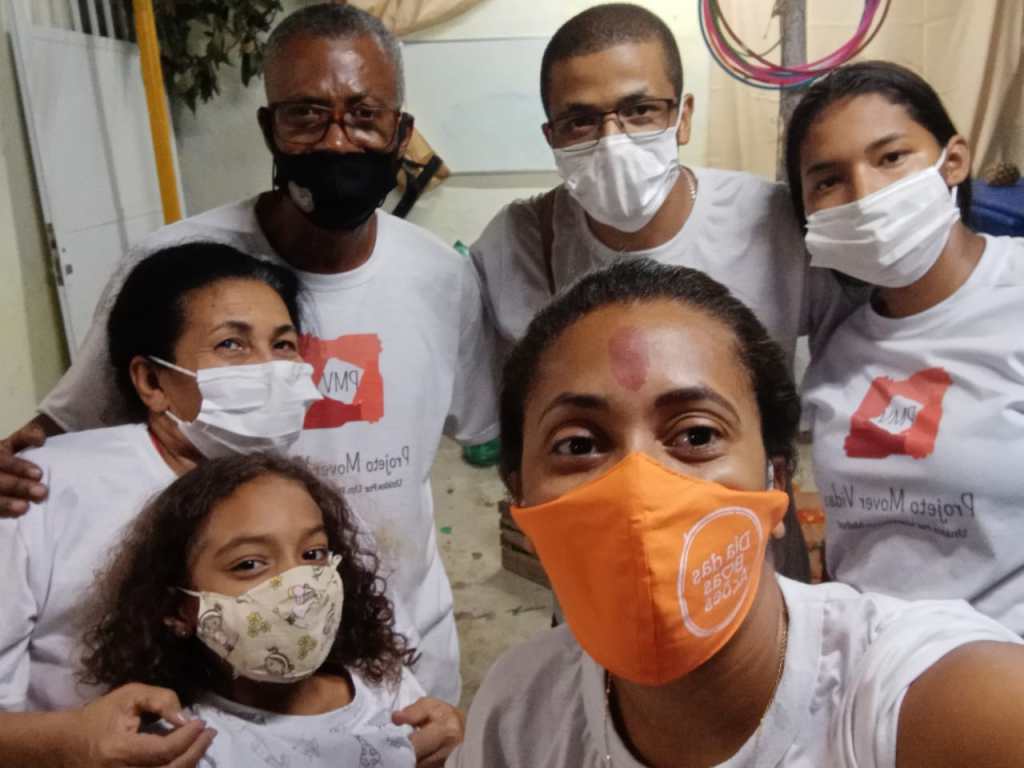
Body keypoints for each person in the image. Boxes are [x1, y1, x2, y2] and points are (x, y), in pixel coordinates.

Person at [0, 3, 498, 703]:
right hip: (228, 665)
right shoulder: (175, 264)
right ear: (268, 127)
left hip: (402, 649)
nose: (337, 140)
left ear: (401, 129)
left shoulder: (442, 277)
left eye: (364, 116)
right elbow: (63, 431)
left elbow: (485, 427)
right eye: (306, 115)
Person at [450, 258, 1024, 767]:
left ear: (776, 477)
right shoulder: (518, 713)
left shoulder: (926, 703)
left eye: (696, 435)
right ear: (520, 497)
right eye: (578, 444)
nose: (638, 489)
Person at [469, 2, 855, 579]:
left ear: (683, 117)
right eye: (580, 121)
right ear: (551, 136)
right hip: (605, 566)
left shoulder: (771, 223)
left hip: (754, 556)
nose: (612, 140)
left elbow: (855, 370)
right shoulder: (520, 245)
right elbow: (510, 427)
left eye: (640, 110)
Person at [0, 243, 317, 765]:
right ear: (151, 381)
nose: (269, 368)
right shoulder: (38, 490)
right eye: (232, 344)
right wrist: (70, 741)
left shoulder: (300, 495)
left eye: (282, 345)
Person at [788, 61, 1024, 632]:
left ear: (954, 160)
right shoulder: (839, 345)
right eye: (828, 180)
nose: (865, 194)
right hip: (868, 661)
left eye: (891, 157)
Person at [80, 453, 463, 768]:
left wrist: (461, 747)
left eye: (313, 554)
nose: (299, 587)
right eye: (249, 564)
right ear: (177, 608)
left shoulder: (385, 690)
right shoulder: (178, 746)